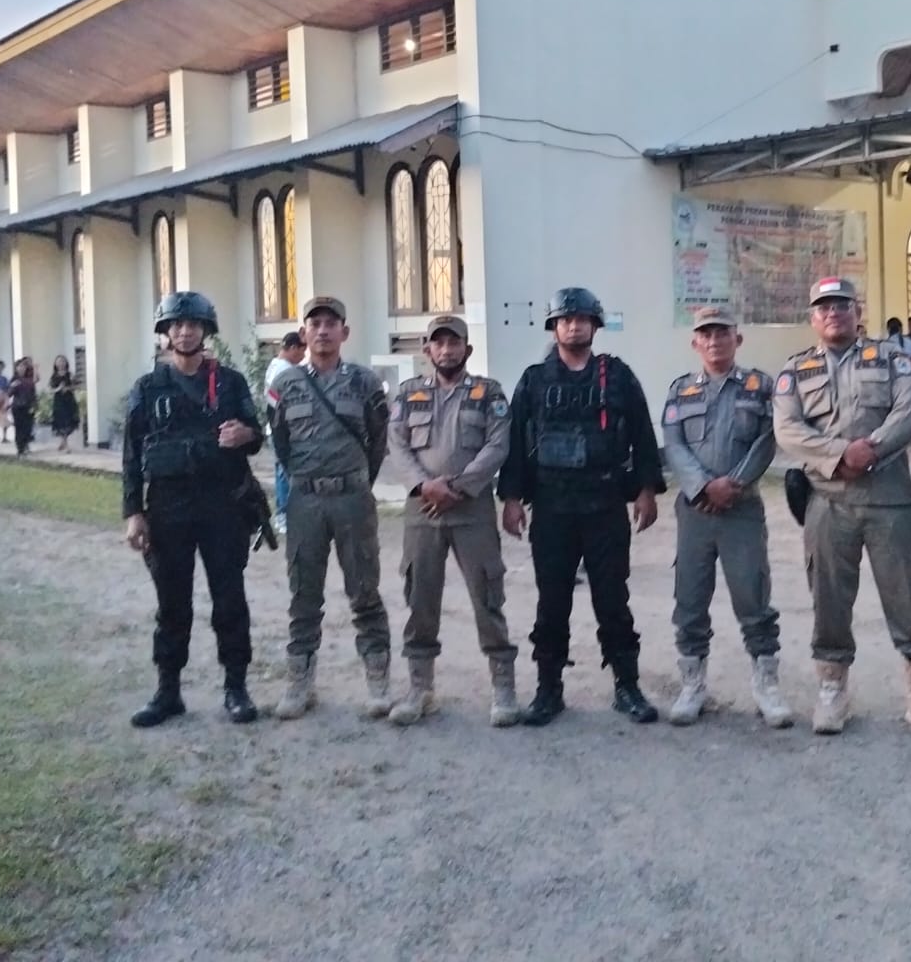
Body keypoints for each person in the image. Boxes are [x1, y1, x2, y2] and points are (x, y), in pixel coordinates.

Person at [772, 276, 911, 737]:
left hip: (889, 498)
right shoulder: (796, 369)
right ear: (813, 317)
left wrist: (872, 449)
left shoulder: (891, 359)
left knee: (910, 595)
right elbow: (787, 429)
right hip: (828, 501)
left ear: (856, 310)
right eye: (824, 306)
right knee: (828, 598)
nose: (833, 313)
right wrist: (837, 456)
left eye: (841, 304)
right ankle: (832, 691)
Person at [498, 286, 666, 727]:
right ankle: (548, 689)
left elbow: (644, 436)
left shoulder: (619, 376)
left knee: (613, 600)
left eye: (582, 318)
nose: (574, 325)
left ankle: (627, 686)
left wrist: (647, 489)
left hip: (606, 504)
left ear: (595, 325)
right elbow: (515, 442)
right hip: (552, 508)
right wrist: (511, 498)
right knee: (551, 602)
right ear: (554, 326)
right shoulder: (534, 380)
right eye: (565, 319)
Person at [122, 290, 263, 728]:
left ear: (206, 331)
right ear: (165, 333)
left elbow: (256, 434)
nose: (185, 331)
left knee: (229, 599)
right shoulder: (147, 389)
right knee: (172, 603)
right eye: (176, 325)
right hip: (168, 509)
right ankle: (168, 692)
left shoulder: (231, 382)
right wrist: (133, 512)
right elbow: (131, 455)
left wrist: (245, 436)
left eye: (193, 325)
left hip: (222, 505)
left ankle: (236, 688)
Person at [659, 306, 792, 729]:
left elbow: (767, 440)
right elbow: (674, 444)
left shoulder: (759, 387)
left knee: (752, 595)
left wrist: (732, 484)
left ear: (738, 339)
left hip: (742, 508)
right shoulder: (681, 391)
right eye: (706, 334)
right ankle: (692, 685)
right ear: (695, 342)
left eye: (722, 333)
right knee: (690, 597)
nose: (714, 340)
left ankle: (766, 684)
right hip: (695, 510)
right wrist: (703, 486)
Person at [386, 315, 520, 727]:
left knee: (487, 597)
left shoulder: (488, 393)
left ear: (467, 349)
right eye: (438, 343)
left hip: (471, 510)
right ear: (426, 349)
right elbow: (397, 444)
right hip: (422, 511)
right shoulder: (409, 395)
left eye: (454, 343)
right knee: (420, 599)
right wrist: (425, 487)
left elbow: (498, 445)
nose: (446, 350)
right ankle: (419, 689)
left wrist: (458, 487)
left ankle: (503, 688)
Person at [268, 296, 391, 721]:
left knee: (364, 591)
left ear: (345, 332)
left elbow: (378, 440)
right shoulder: (284, 385)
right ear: (303, 333)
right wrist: (308, 479)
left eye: (331, 323)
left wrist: (355, 481)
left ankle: (378, 681)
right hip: (305, 501)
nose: (322, 330)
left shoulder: (365, 383)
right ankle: (299, 683)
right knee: (304, 594)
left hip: (353, 500)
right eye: (314, 323)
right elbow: (280, 443)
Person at [262, 330, 306, 534]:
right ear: (293, 348)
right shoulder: (285, 370)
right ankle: (283, 515)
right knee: (284, 473)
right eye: (301, 352)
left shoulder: (274, 365)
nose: (303, 357)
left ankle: (285, 514)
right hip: (282, 428)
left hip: (274, 427)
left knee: (283, 472)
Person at [49, 355, 80, 451]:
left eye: (62, 361)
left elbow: (76, 386)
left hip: (69, 400)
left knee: (68, 421)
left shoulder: (70, 375)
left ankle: (64, 442)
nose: (61, 363)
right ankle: (65, 443)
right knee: (60, 421)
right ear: (55, 364)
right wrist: (58, 389)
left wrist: (68, 388)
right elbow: (50, 389)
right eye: (58, 361)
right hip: (58, 401)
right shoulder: (54, 376)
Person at [8, 358, 37, 457]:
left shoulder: (29, 379)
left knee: (28, 427)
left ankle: (25, 445)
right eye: (19, 366)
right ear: (16, 368)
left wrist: (35, 405)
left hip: (28, 406)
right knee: (19, 428)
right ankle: (20, 449)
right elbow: (8, 394)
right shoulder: (14, 379)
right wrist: (12, 386)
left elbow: (33, 393)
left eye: (23, 366)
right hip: (18, 407)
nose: (21, 368)